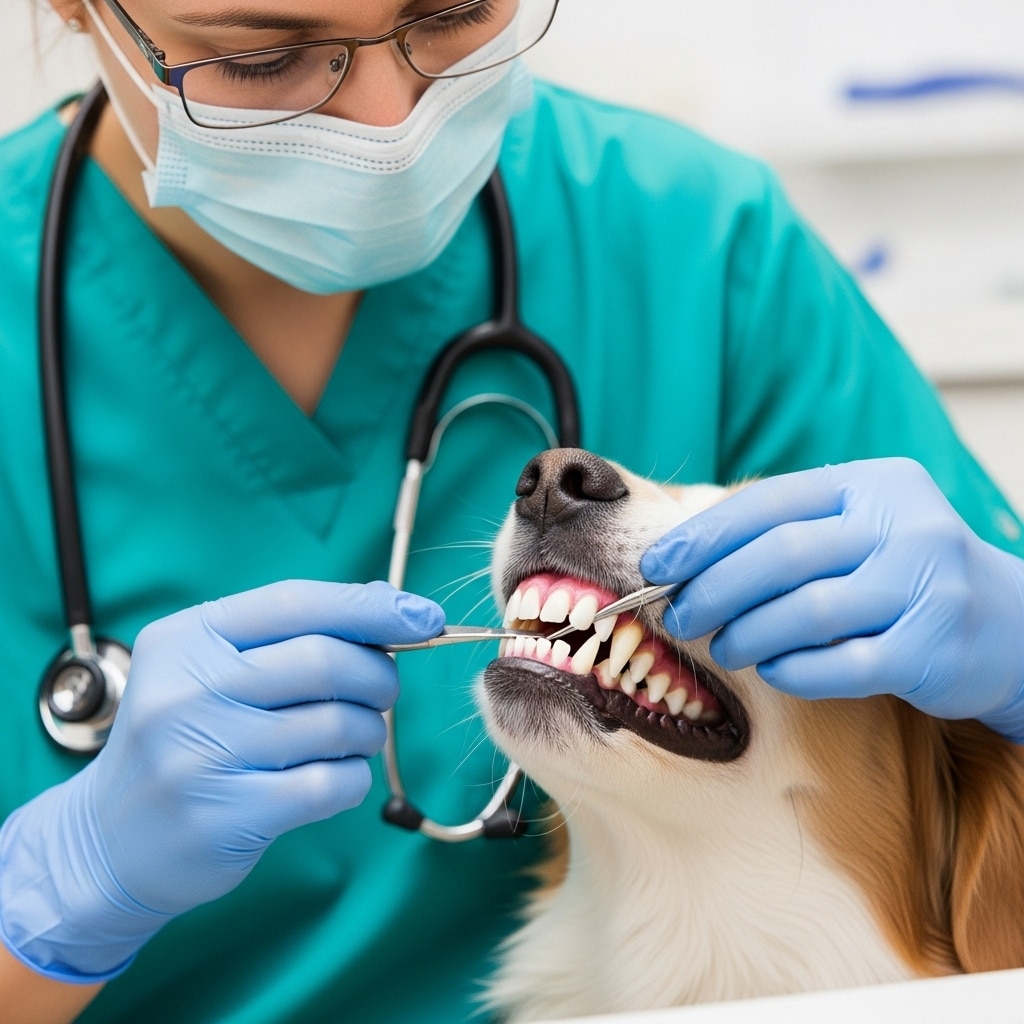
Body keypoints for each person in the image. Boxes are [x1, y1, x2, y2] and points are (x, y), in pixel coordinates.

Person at [1, 1, 1022, 1021]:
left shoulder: (694, 238)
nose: (386, 119)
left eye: (452, 14)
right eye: (265, 57)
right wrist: (55, 897)